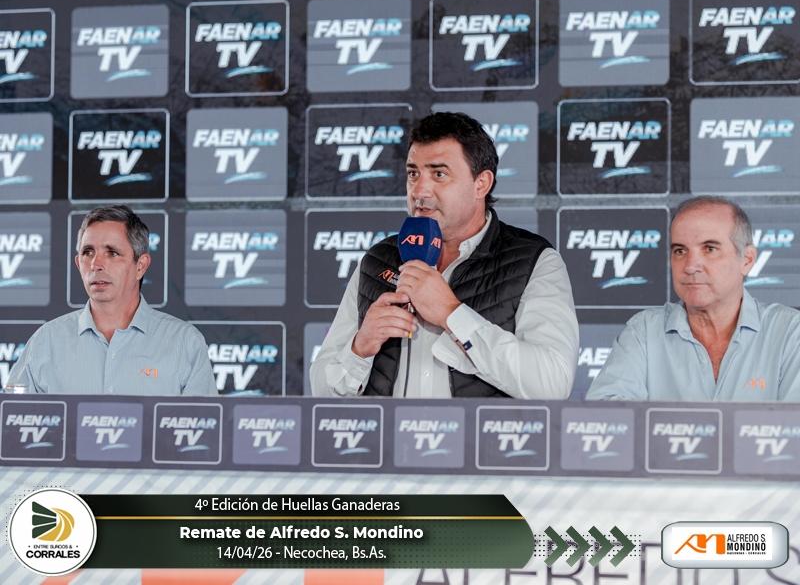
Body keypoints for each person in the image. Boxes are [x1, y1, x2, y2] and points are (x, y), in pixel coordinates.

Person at [311, 112, 578, 398]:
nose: (420, 191)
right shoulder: (378, 260)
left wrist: (452, 314)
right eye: (413, 174)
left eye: (439, 174)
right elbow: (321, 393)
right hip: (385, 430)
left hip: (478, 431)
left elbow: (552, 383)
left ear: (481, 183)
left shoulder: (535, 260)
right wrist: (359, 348)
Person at [587, 196, 800, 402]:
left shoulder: (790, 333)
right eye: (680, 251)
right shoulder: (643, 331)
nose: (690, 266)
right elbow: (608, 417)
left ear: (747, 260)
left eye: (709, 249)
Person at [8, 205, 217, 396]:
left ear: (141, 266)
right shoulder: (45, 341)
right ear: (78, 264)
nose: (95, 264)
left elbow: (203, 423)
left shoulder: (185, 343)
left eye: (112, 253)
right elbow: (11, 418)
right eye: (88, 252)